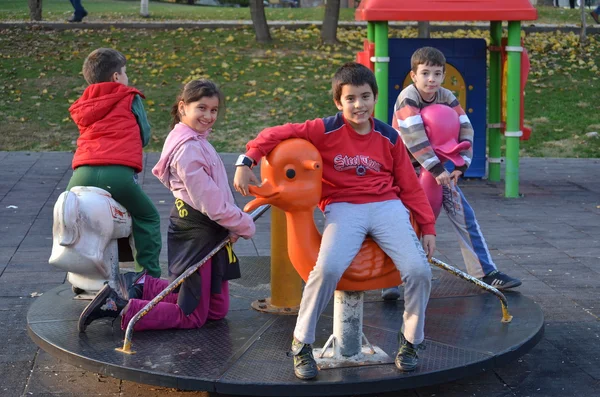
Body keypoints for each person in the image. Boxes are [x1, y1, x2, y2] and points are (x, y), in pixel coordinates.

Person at [234, 62, 436, 379]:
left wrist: (428, 227)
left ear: (375, 97)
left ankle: (411, 341)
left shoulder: (389, 137)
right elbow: (277, 133)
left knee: (419, 270)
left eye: (365, 97)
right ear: (338, 102)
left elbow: (410, 186)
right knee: (326, 268)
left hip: (386, 206)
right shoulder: (324, 129)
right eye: (351, 98)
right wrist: (247, 160)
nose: (359, 105)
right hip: (344, 208)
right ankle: (302, 342)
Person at [78, 79, 256, 333]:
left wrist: (230, 224)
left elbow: (217, 196)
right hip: (197, 232)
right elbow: (211, 203)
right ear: (183, 107)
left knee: (215, 310)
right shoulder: (189, 150)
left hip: (209, 228)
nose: (208, 116)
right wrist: (241, 222)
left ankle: (142, 283)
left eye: (213, 110)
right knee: (191, 315)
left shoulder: (197, 140)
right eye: (201, 108)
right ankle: (118, 307)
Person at [382, 46, 522, 301]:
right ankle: (390, 278)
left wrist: (460, 166)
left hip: (438, 172)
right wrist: (436, 169)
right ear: (414, 76)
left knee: (464, 214)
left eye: (437, 74)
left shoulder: (446, 97)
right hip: (404, 172)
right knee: (401, 221)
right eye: (425, 73)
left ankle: (485, 272)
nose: (431, 79)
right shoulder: (407, 97)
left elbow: (464, 128)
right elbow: (414, 137)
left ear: (444, 75)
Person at [67, 48, 162, 281]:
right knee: (147, 217)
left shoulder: (83, 104)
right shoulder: (128, 96)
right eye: (125, 72)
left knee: (75, 215)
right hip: (118, 173)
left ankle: (84, 272)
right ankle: (147, 277)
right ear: (117, 77)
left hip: (82, 174)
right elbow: (145, 134)